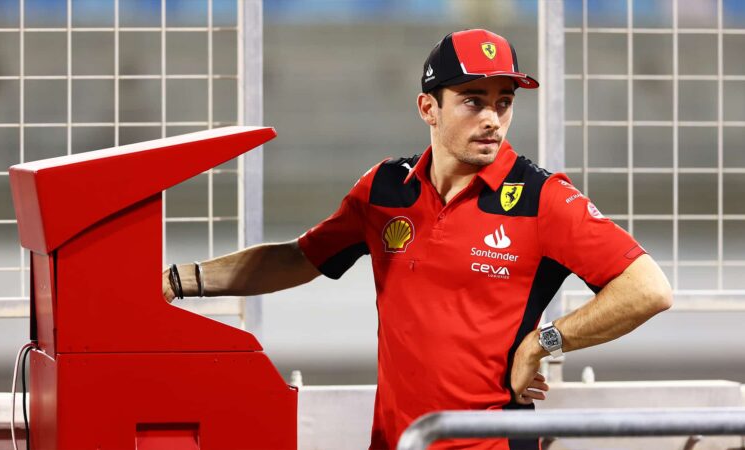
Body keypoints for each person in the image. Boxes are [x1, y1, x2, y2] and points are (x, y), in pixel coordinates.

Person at [163, 29, 672, 450]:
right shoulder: (384, 189)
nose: (492, 118)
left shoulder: (542, 198)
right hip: (396, 442)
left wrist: (544, 342)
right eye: (473, 100)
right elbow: (300, 258)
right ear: (428, 107)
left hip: (491, 444)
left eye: (504, 101)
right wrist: (176, 281)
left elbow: (647, 288)